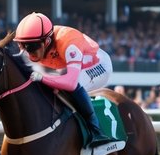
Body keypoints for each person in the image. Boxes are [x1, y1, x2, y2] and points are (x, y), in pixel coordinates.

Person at [13, 12, 115, 146]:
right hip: (70, 64)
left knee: (67, 88)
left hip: (98, 65)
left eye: (31, 47)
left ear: (47, 41)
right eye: (22, 45)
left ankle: (96, 130)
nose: (28, 52)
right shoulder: (36, 43)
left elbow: (71, 83)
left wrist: (43, 78)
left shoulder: (68, 42)